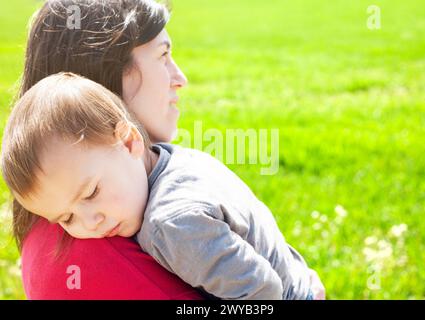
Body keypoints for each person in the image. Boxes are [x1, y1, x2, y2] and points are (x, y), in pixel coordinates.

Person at [2, 73, 325, 300]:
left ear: (129, 142)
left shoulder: (170, 225)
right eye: (66, 219)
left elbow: (261, 293)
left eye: (91, 193)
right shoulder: (174, 158)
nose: (90, 221)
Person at [14, 0, 202, 299]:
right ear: (107, 75)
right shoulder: (105, 243)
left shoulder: (102, 203)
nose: (180, 79)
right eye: (163, 55)